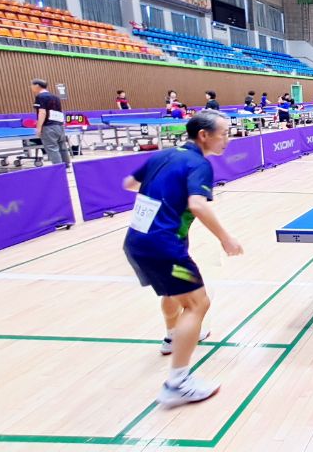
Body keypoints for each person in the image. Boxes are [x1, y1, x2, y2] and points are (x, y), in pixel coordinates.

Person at [121, 110, 244, 406]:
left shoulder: (162, 155)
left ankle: (171, 338)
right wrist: (226, 238)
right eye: (224, 133)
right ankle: (177, 382)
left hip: (137, 241)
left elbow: (130, 183)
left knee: (173, 292)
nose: (227, 139)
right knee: (198, 303)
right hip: (164, 244)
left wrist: (162, 198)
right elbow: (197, 205)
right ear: (203, 135)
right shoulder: (199, 164)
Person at [31, 78, 71, 168]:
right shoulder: (56, 97)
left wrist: (38, 128)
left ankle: (58, 169)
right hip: (59, 126)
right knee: (62, 147)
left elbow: (42, 112)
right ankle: (66, 166)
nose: (31, 87)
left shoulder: (40, 97)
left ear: (37, 86)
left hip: (48, 127)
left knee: (52, 148)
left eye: (32, 85)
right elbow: (60, 111)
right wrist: (62, 123)